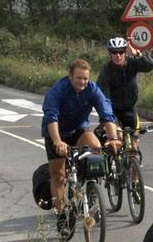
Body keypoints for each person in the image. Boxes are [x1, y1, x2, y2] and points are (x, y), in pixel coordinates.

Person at [42, 59, 121, 229]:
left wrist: (113, 137)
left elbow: (106, 113)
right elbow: (51, 117)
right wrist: (57, 141)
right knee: (59, 176)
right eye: (79, 78)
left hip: (78, 130)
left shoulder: (92, 89)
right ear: (70, 76)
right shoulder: (58, 91)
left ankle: (91, 191)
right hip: (57, 133)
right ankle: (62, 216)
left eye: (85, 78)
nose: (83, 82)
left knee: (96, 148)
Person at [97, 36, 153, 134]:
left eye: (121, 52)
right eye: (114, 52)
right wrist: (109, 117)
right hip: (112, 111)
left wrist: (137, 53)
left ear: (125, 52)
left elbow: (150, 65)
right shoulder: (106, 70)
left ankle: (133, 149)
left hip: (129, 109)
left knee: (134, 144)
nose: (118, 55)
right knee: (115, 139)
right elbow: (103, 94)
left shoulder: (132, 63)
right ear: (110, 54)